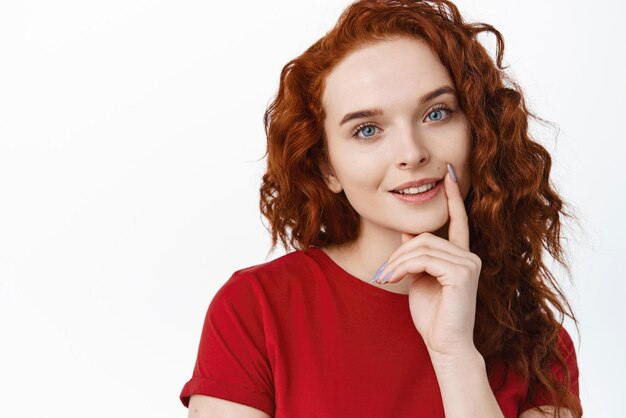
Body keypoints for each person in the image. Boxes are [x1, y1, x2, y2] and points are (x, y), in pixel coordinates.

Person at [180, 0, 582, 417]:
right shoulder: (254, 310)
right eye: (367, 129)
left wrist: (455, 355)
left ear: (480, 130)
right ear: (327, 167)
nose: (411, 153)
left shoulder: (540, 347)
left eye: (437, 113)